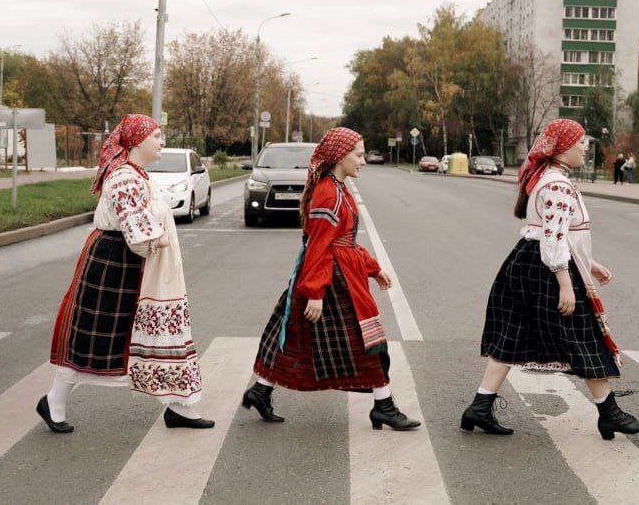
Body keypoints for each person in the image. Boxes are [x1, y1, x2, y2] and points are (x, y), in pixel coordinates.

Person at [465, 119, 639, 440]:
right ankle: (610, 414)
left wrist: (590, 264)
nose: (585, 148)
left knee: (513, 335)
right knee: (584, 337)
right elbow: (553, 238)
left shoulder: (546, 177)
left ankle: (480, 407)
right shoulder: (558, 184)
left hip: (528, 263)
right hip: (548, 269)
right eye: (580, 142)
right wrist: (565, 282)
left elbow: (551, 233)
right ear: (563, 147)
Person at [40, 114, 209, 433]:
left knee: (152, 332)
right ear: (137, 141)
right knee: (98, 337)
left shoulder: (137, 174)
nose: (162, 142)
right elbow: (137, 230)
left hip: (133, 263)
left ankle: (178, 406)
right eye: (157, 136)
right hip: (116, 263)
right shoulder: (123, 177)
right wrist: (158, 236)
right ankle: (54, 401)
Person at [243, 127, 420, 431]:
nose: (363, 161)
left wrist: (372, 268)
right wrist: (315, 291)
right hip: (331, 281)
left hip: (333, 275)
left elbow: (345, 241)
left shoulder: (339, 188)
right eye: (359, 155)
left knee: (295, 335)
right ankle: (384, 406)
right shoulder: (329, 192)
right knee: (367, 344)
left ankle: (261, 390)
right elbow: (320, 244)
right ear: (340, 156)